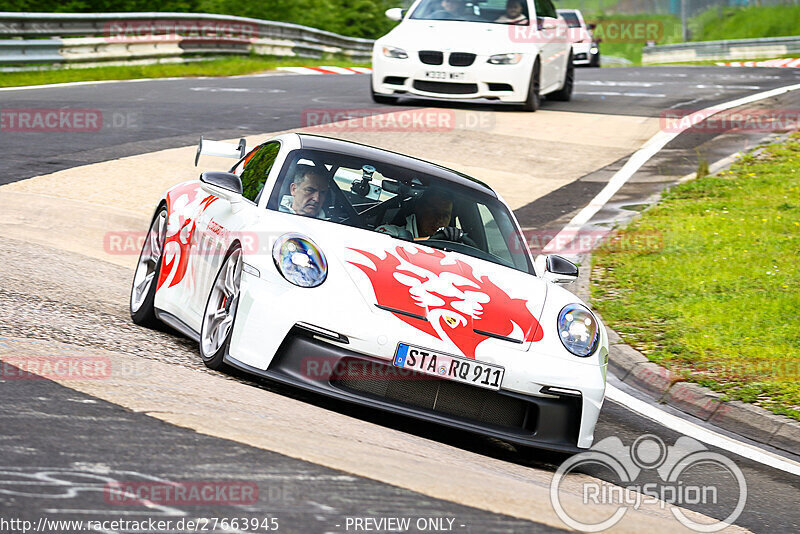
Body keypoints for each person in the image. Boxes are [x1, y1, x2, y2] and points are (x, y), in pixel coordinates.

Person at [376, 189, 471, 245]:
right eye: (434, 212)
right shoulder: (390, 233)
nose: (439, 219)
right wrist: (434, 240)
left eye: (445, 215)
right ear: (419, 208)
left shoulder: (455, 247)